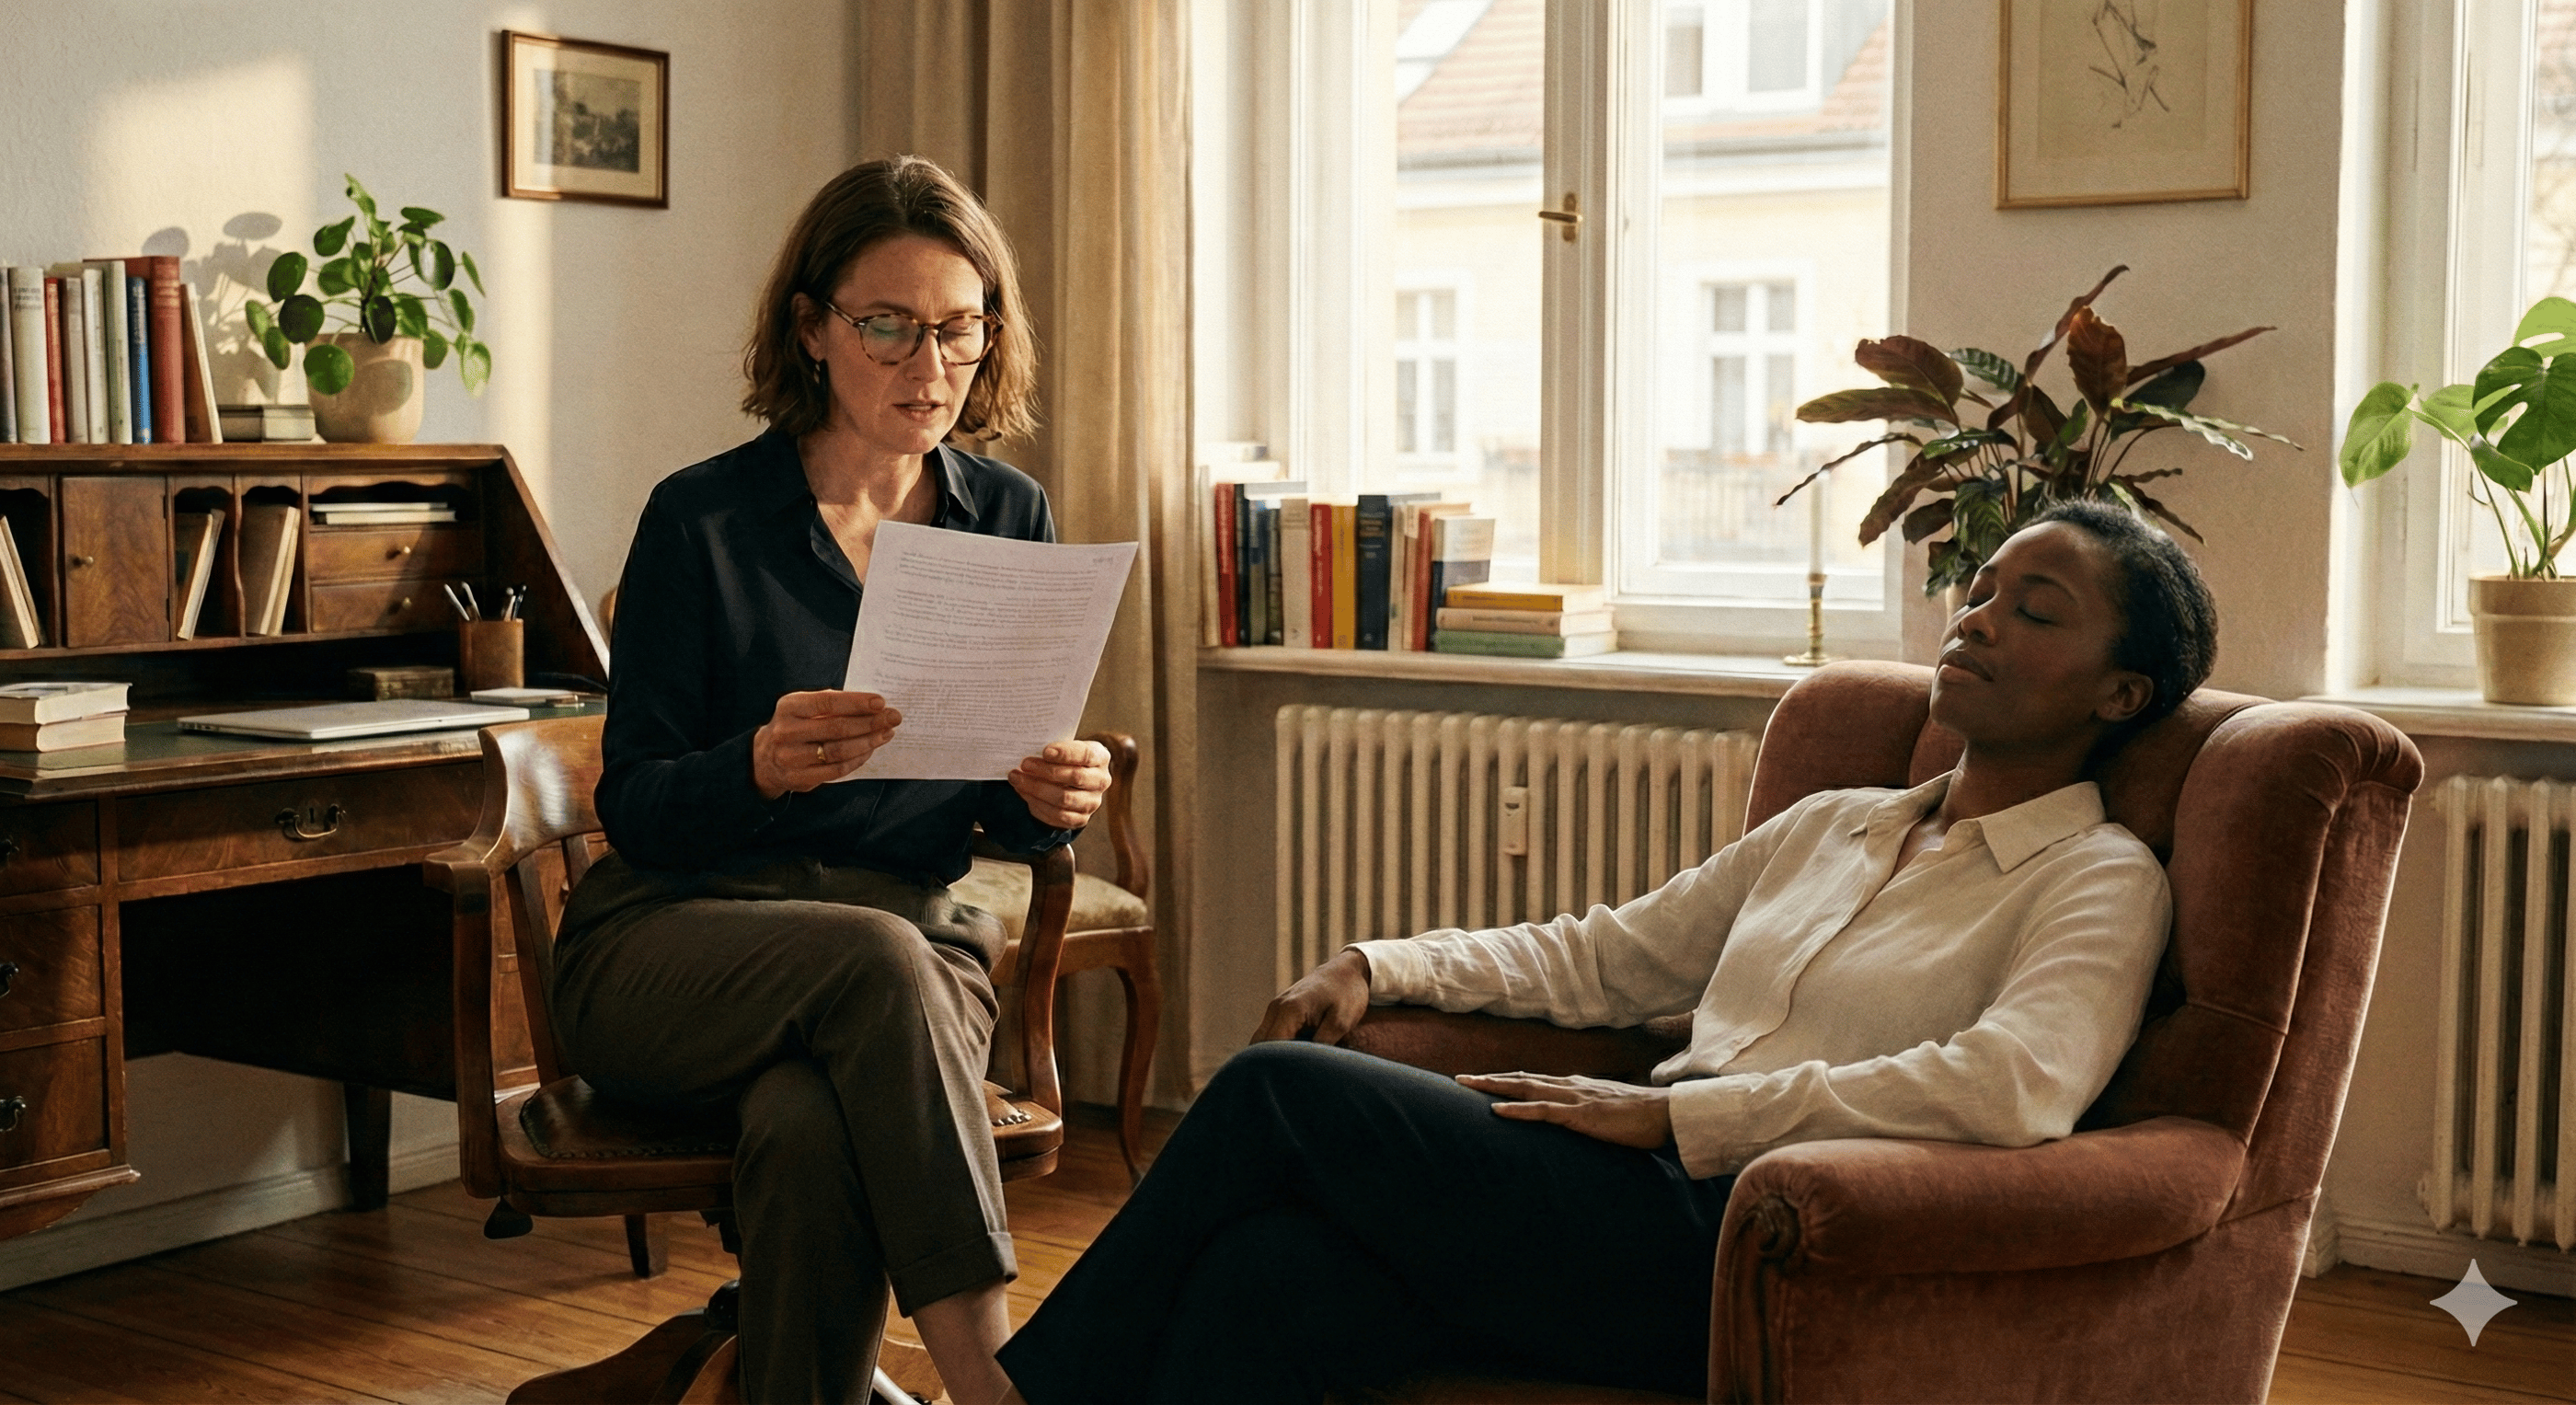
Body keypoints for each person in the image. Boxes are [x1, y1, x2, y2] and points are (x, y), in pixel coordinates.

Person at [995, 500, 2220, 1404]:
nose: (1981, 619)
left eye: (2036, 610)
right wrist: (1383, 964)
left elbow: (2014, 1087)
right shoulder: (1835, 824)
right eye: (1986, 588)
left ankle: (1011, 1394)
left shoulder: (2100, 879)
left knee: (1275, 1089)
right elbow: (1609, 957)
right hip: (1632, 1197)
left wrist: (1696, 1120)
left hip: (1764, 1241)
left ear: (2119, 696)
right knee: (1275, 1272)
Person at [550, 155, 1110, 1405]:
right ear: (811, 327)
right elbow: (631, 803)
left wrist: (1046, 791)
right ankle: (992, 1381)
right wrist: (753, 764)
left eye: (959, 330)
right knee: (876, 958)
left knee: (809, 1124)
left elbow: (993, 817)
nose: (929, 368)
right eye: (889, 327)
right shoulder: (699, 521)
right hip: (672, 942)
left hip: (907, 942)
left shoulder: (1006, 515)